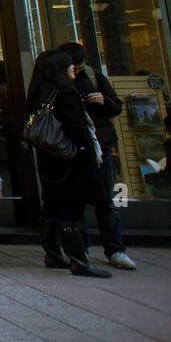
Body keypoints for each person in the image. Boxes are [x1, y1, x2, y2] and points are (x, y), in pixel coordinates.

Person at [27, 48, 110, 278]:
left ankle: (53, 254)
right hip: (72, 158)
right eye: (69, 65)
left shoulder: (39, 94)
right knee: (72, 207)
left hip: (49, 159)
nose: (73, 68)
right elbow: (77, 129)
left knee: (53, 204)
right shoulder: (65, 94)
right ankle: (78, 260)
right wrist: (88, 156)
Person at [59, 42, 135, 270]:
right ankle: (80, 249)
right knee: (76, 202)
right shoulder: (59, 82)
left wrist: (103, 101)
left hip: (100, 146)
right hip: (72, 148)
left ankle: (116, 250)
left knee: (105, 200)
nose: (78, 71)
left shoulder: (94, 76)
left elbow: (115, 106)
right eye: (74, 67)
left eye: (80, 67)